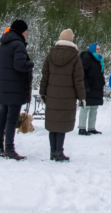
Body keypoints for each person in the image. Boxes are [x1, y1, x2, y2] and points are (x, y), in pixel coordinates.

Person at [39, 29, 86, 162]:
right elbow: (78, 80)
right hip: (68, 96)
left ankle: (53, 151)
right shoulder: (75, 57)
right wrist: (81, 97)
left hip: (52, 95)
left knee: (53, 124)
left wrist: (43, 92)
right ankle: (59, 151)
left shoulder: (50, 55)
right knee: (62, 124)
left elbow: (45, 76)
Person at [0, 19, 34, 160]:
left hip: (3, 86)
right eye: (26, 31)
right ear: (21, 31)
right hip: (15, 87)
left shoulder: (3, 44)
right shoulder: (18, 44)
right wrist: (30, 63)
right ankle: (9, 149)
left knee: (2, 117)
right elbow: (20, 65)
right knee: (11, 119)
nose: (26, 33)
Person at [79, 43, 104, 136]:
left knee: (94, 107)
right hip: (88, 87)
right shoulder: (87, 58)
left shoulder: (99, 59)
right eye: (97, 49)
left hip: (96, 87)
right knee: (85, 107)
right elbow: (82, 73)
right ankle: (81, 127)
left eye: (99, 49)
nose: (99, 50)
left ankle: (91, 128)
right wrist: (86, 85)